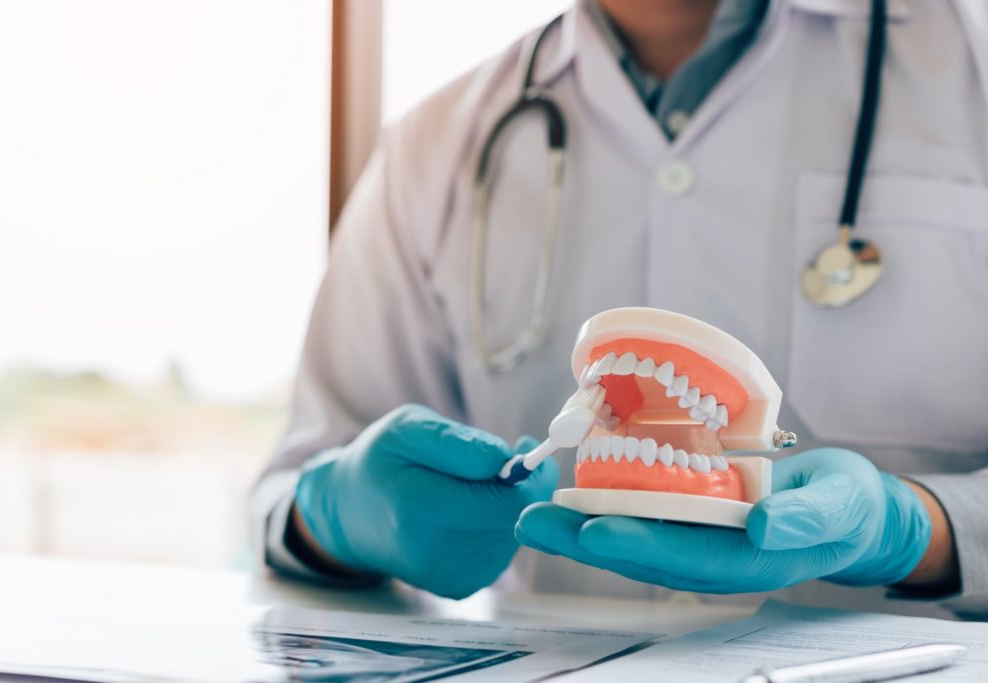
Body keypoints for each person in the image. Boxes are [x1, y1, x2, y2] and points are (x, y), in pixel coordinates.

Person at [251, 0, 988, 619]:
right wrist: (335, 514)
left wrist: (915, 527)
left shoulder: (968, 60)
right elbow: (287, 494)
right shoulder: (435, 146)